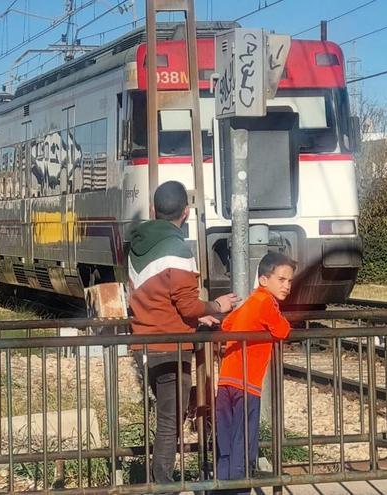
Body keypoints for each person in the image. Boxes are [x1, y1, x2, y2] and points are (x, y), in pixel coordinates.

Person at [128, 180, 239, 486]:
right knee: (170, 423)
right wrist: (215, 305)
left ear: (153, 210)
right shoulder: (178, 249)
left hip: (145, 345)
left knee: (166, 417)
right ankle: (163, 485)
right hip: (171, 347)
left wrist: (196, 315)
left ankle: (160, 480)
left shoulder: (137, 245)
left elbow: (157, 297)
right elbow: (188, 305)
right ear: (186, 212)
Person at [215, 252, 295, 494]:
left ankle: (221, 487)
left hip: (227, 380)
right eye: (281, 280)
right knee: (244, 441)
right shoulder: (265, 302)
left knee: (226, 441)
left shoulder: (250, 301)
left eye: (289, 281)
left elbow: (226, 324)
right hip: (247, 384)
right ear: (263, 280)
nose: (287, 286)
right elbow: (282, 330)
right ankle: (239, 490)